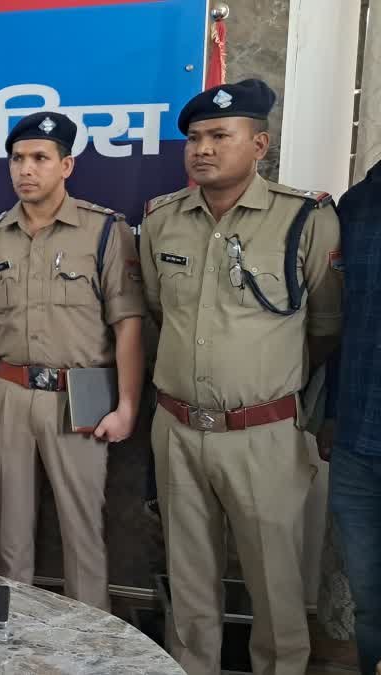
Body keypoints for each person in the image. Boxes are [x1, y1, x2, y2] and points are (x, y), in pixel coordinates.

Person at [139, 79, 342, 675]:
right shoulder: (162, 219)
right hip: (178, 428)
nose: (202, 149)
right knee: (188, 583)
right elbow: (159, 309)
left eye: (219, 136)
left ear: (259, 144)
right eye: (194, 138)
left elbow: (325, 325)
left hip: (263, 435)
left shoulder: (304, 218)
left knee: (275, 585)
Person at [0, 111, 145, 611]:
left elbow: (128, 324)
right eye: (17, 159)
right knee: (10, 533)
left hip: (80, 394)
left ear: (66, 165)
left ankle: (90, 641)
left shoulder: (103, 232)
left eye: (40, 158)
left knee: (83, 530)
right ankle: (11, 637)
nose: (26, 169)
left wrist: (127, 406)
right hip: (10, 393)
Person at [323, 157, 380, 675]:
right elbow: (339, 320)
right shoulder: (358, 205)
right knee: (370, 605)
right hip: (357, 439)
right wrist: (329, 415)